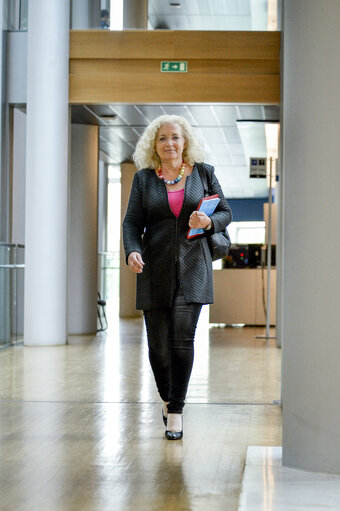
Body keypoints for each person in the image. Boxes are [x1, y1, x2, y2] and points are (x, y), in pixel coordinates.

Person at [122, 115, 232, 440]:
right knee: (158, 348)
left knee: (182, 342)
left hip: (193, 268)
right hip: (153, 269)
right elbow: (131, 223)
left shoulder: (204, 173)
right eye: (162, 139)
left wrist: (209, 222)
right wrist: (131, 251)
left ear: (185, 143)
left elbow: (225, 211)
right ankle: (168, 397)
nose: (169, 143)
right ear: (154, 146)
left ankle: (176, 411)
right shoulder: (143, 180)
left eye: (175, 137)